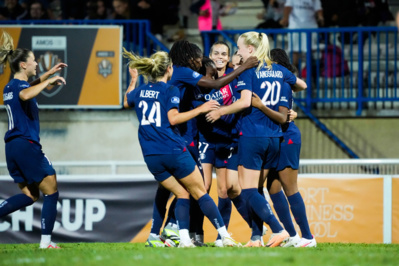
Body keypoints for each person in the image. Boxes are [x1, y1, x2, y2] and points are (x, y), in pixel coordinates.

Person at [122, 48, 241, 248]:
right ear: (169, 69)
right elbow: (173, 118)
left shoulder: (140, 91)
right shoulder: (170, 90)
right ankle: (224, 235)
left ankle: (175, 238)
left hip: (151, 155)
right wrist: (201, 109)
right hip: (173, 150)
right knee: (200, 191)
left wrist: (133, 80)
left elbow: (126, 102)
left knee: (181, 193)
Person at [206, 31, 307, 247]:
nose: (239, 52)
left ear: (250, 50)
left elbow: (244, 102)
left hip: (252, 135)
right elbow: (302, 85)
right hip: (275, 137)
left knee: (249, 190)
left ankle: (279, 230)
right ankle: (256, 237)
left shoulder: (249, 71)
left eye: (240, 48)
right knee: (260, 189)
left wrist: (220, 111)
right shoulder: (279, 70)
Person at [0, 31, 67, 248]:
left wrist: (48, 74)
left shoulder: (9, 86)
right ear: (23, 65)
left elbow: (27, 89)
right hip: (26, 144)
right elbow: (27, 94)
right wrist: (52, 79)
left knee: (30, 195)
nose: (36, 63)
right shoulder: (21, 89)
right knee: (52, 189)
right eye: (33, 61)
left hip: (12, 147)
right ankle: (46, 242)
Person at [252, 48, 316, 247]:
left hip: (287, 136)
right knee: (272, 187)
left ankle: (307, 237)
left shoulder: (284, 83)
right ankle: (291, 235)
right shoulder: (274, 82)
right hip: (274, 136)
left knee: (290, 187)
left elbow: (300, 87)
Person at [279, 0, 324, 71]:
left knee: (311, 51)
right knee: (295, 51)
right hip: (295, 27)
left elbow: (318, 9)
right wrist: (285, 18)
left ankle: (311, 75)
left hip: (311, 27)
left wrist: (320, 17)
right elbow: (288, 7)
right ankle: (295, 76)